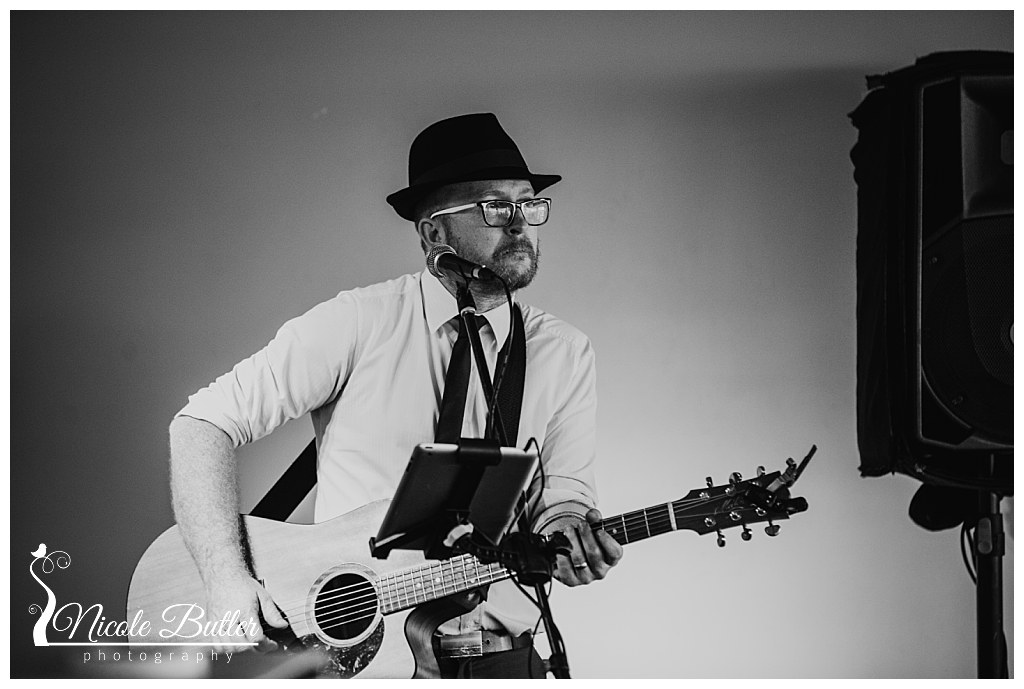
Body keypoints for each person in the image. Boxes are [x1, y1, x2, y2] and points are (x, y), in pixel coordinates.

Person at [168, 112, 623, 678]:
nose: (519, 224)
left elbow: (564, 495)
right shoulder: (357, 322)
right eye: (493, 207)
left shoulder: (565, 352)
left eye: (528, 204)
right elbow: (201, 424)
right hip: (360, 663)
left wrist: (570, 534)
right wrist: (225, 578)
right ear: (433, 234)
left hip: (503, 659)